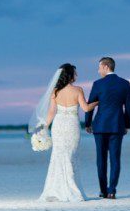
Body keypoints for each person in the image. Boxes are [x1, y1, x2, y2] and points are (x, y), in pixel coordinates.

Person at [33, 63, 98, 202]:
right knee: (70, 155)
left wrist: (44, 127)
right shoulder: (78, 90)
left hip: (58, 125)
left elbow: (51, 113)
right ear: (70, 75)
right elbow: (86, 108)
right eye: (75, 73)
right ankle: (71, 189)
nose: (76, 75)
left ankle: (56, 189)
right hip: (72, 125)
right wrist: (97, 102)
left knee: (58, 155)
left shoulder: (55, 91)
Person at [85, 57, 130, 199]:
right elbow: (129, 107)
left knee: (101, 159)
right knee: (115, 159)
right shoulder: (124, 84)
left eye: (99, 67)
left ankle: (103, 190)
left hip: (100, 126)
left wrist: (87, 123)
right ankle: (112, 190)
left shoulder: (98, 84)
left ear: (106, 67)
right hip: (117, 126)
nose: (98, 70)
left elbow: (90, 106)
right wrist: (127, 124)